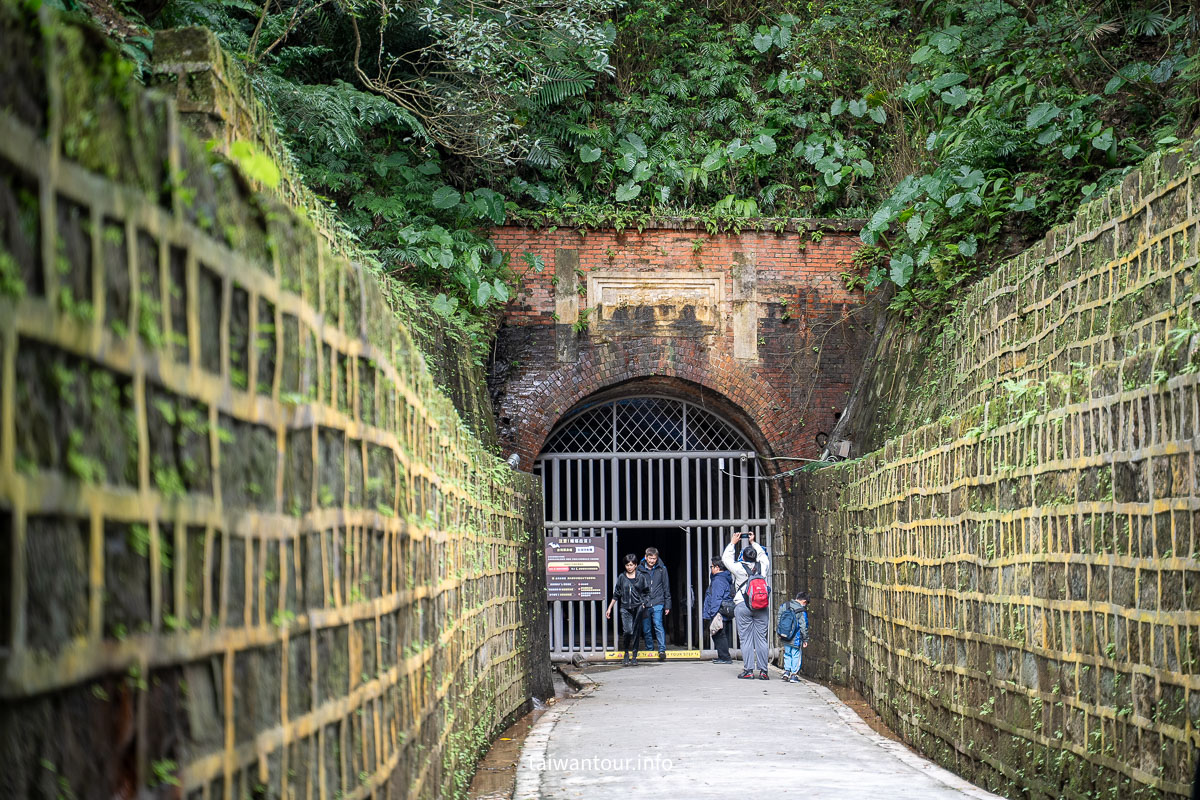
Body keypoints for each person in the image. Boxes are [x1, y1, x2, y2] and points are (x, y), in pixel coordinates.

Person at [722, 531, 771, 680]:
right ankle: (763, 671)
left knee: (746, 639)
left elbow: (726, 559)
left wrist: (732, 543)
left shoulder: (738, 568)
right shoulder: (764, 566)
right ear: (755, 556)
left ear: (743, 556)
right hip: (761, 605)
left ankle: (749, 670)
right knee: (761, 639)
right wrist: (753, 542)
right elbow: (763, 554)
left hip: (743, 605)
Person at [605, 554, 649, 665]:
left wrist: (644, 603)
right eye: (627, 565)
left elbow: (647, 592)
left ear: (636, 565)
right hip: (625, 608)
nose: (629, 567)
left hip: (638, 607)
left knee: (636, 631)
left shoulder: (641, 577)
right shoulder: (622, 577)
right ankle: (626, 652)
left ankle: (634, 655)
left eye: (631, 565)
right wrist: (609, 608)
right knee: (628, 631)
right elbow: (616, 593)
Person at [638, 547, 671, 660]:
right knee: (646, 628)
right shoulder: (639, 570)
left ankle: (662, 650)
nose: (652, 561)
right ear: (646, 557)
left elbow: (666, 587)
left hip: (658, 601)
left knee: (658, 625)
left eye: (654, 559)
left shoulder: (662, 569)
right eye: (650, 558)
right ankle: (650, 649)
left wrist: (667, 604)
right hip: (645, 603)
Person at [701, 557, 733, 663]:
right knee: (719, 633)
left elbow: (716, 597)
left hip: (718, 611)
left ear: (717, 567)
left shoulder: (718, 580)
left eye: (712, 567)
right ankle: (722, 656)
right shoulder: (723, 577)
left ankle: (725, 657)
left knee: (719, 634)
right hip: (723, 610)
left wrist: (713, 613)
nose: (711, 569)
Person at [777, 590, 809, 682]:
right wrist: (805, 639)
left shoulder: (784, 606)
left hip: (785, 635)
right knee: (796, 654)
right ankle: (793, 675)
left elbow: (779, 620)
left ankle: (786, 672)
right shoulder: (801, 611)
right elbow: (804, 626)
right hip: (796, 638)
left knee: (787, 653)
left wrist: (780, 633)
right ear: (804, 601)